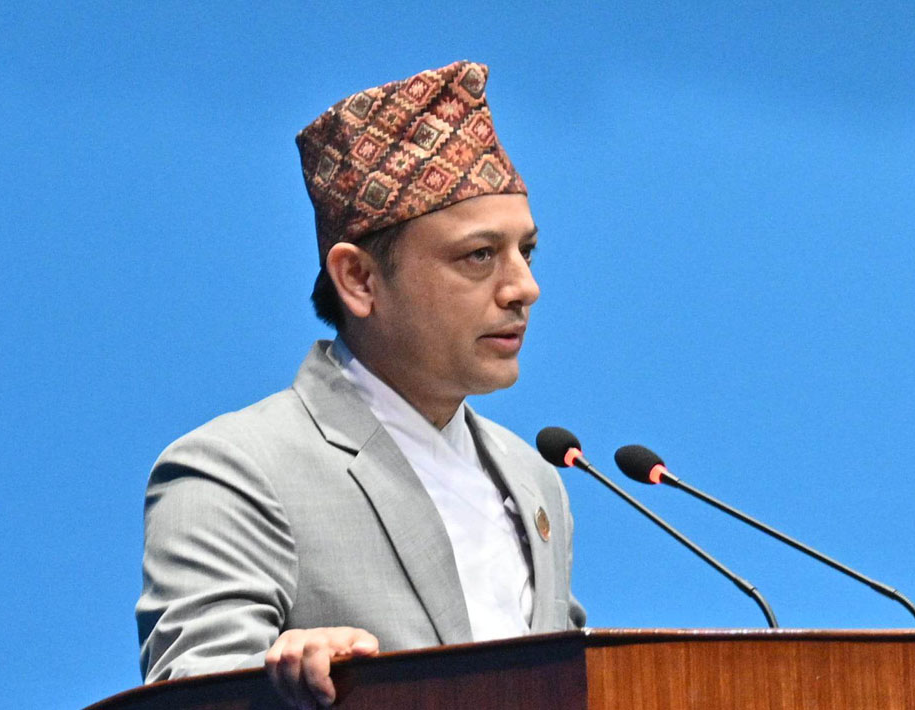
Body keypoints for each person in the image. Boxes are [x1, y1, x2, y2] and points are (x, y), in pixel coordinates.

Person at [135, 60, 586, 709]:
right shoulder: (236, 468)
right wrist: (285, 678)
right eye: (479, 255)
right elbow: (196, 690)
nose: (524, 287)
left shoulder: (533, 476)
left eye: (527, 251)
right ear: (359, 280)